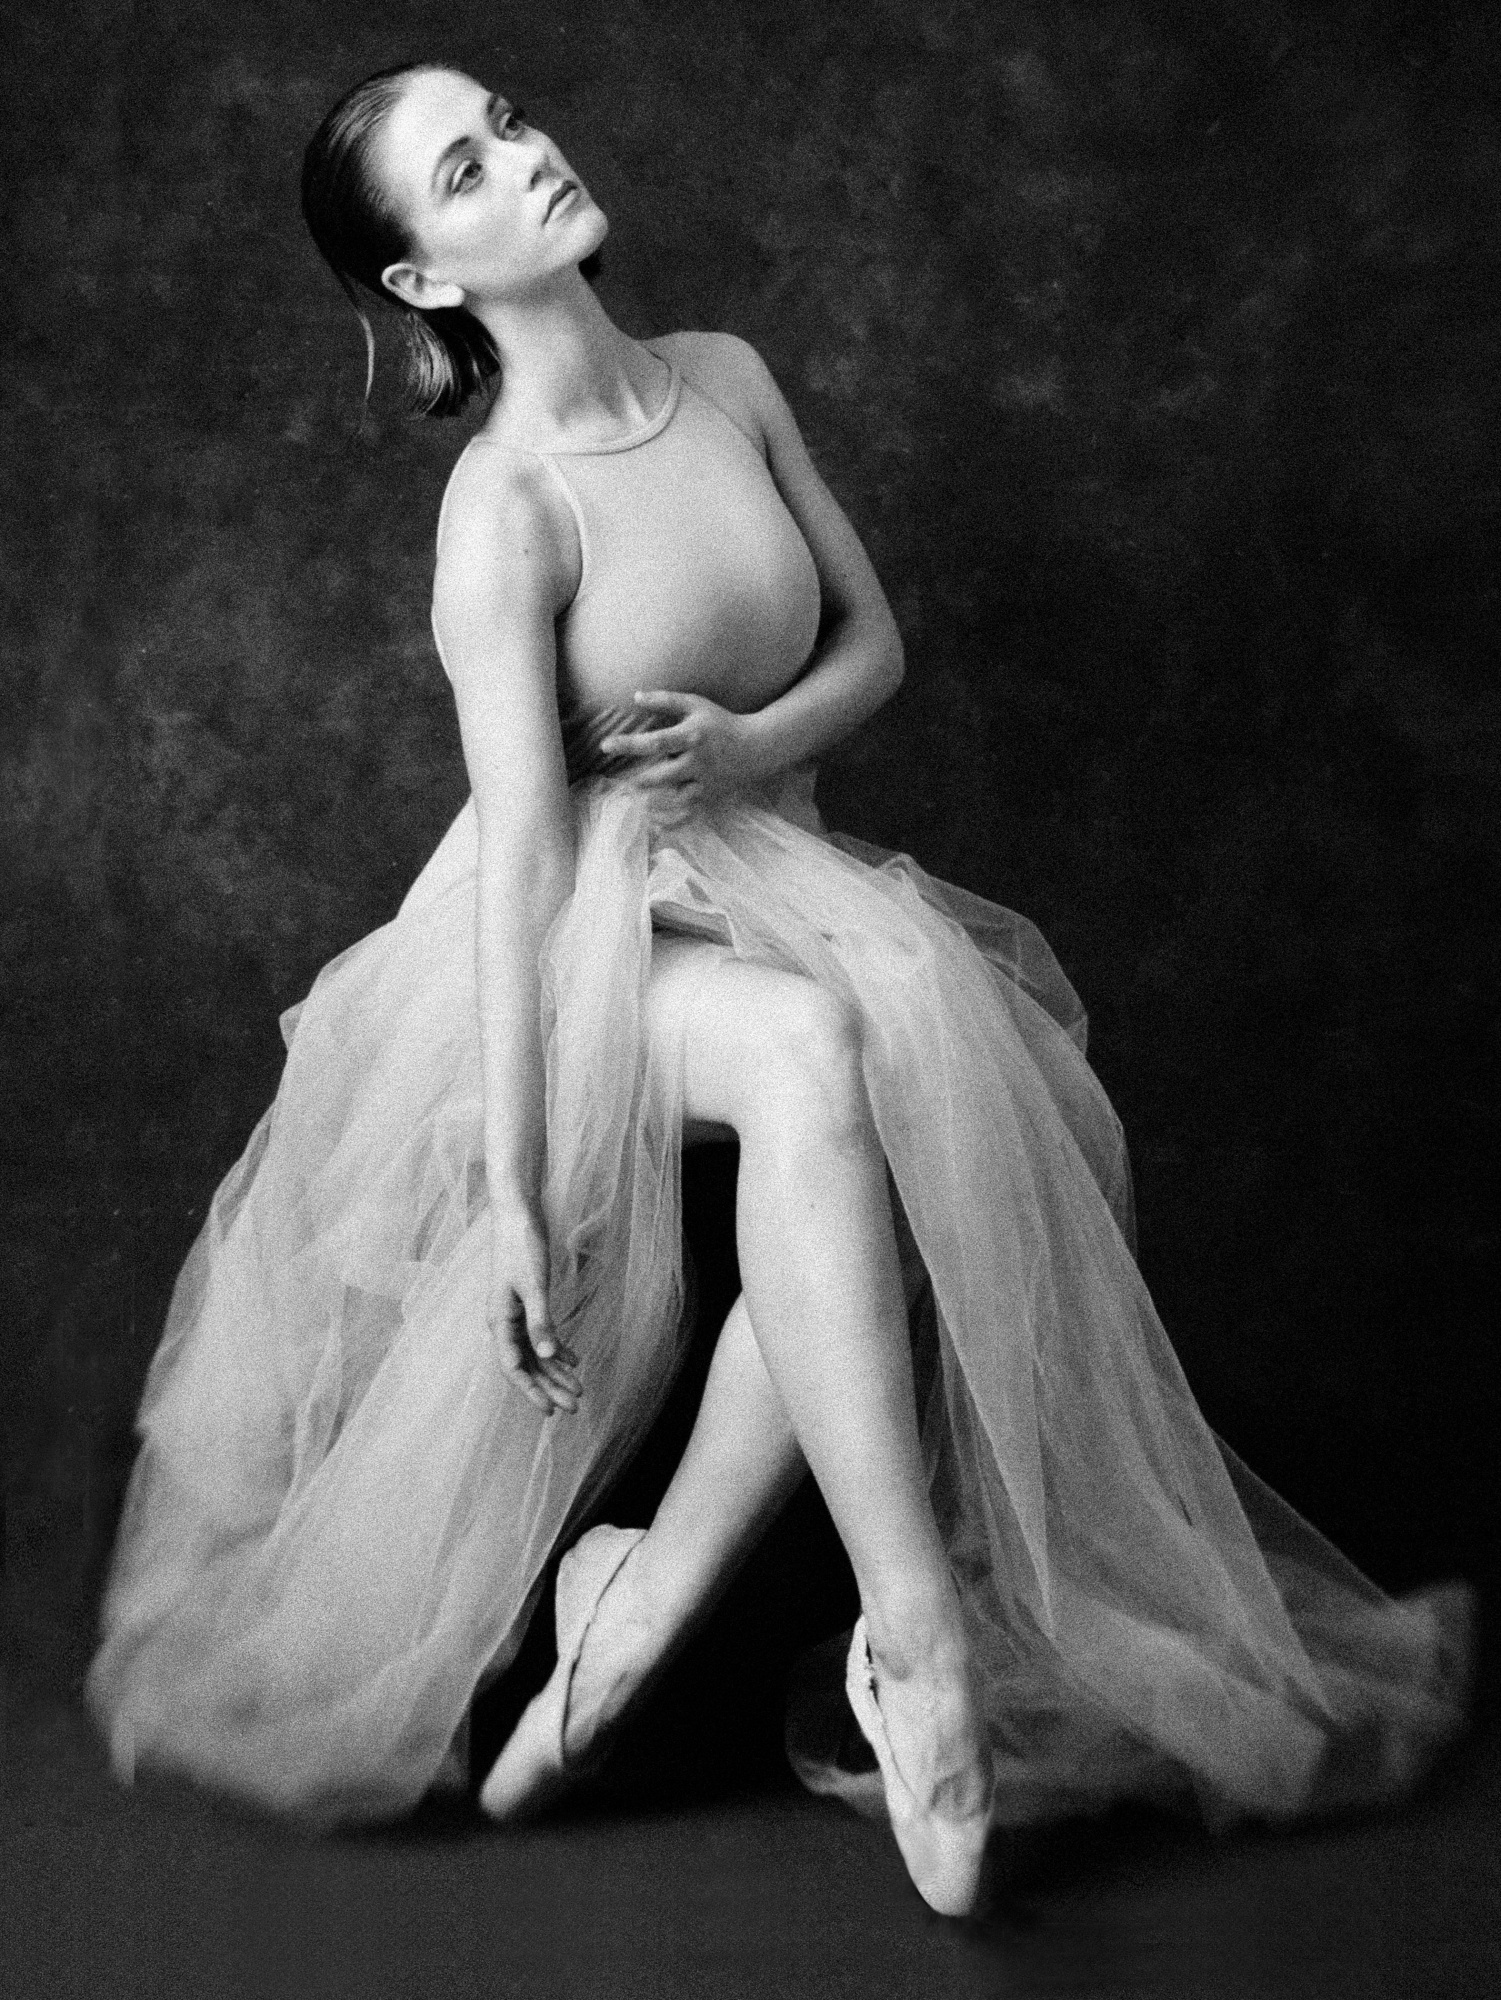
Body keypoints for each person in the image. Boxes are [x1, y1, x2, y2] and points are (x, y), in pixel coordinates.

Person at [88, 62, 1472, 1917]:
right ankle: (923, 1657)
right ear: (424, 281)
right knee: (826, 1042)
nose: (527, 157)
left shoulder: (724, 378)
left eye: (509, 119)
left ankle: (642, 1606)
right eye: (466, 172)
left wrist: (749, 748)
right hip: (569, 945)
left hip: (763, 870)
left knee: (896, 1102)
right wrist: (518, 1176)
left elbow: (871, 643)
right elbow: (522, 856)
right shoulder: (503, 510)